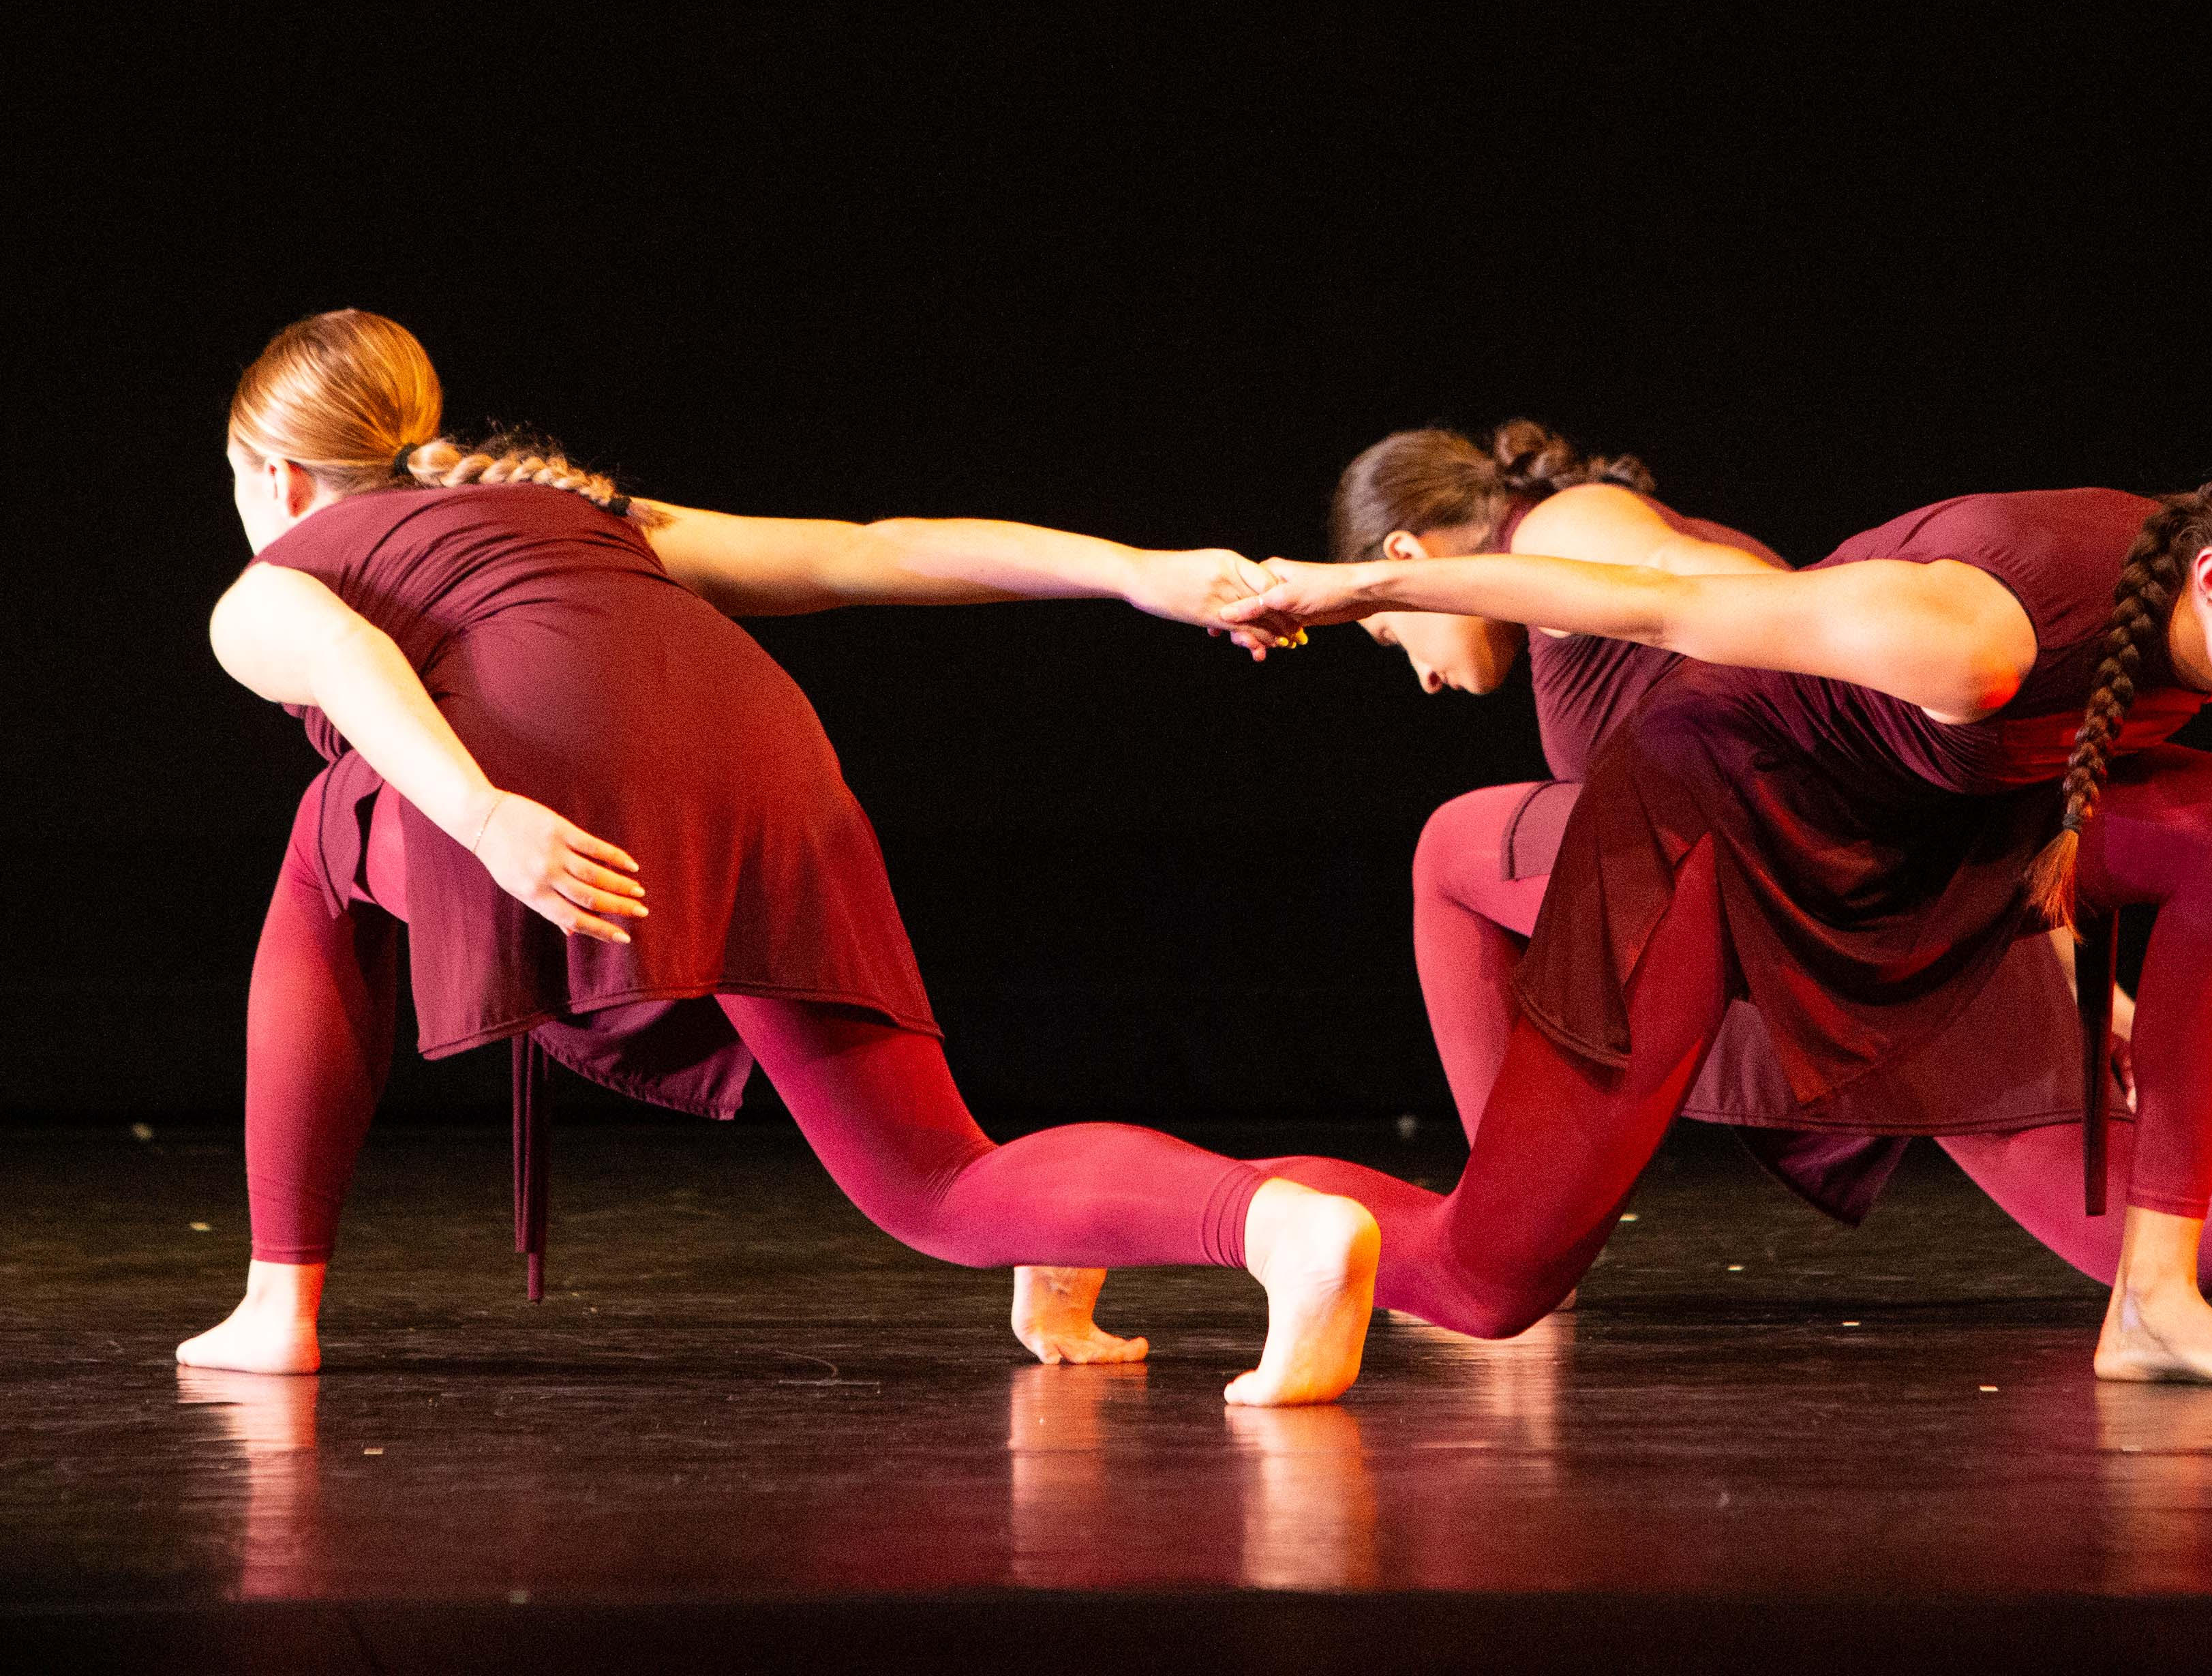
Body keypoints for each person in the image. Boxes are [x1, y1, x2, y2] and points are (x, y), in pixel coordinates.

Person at [1027, 425, 2212, 1356]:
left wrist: (2056, 940)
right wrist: (1370, 589)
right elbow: (1664, 605)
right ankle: (1161, 1208)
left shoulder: (2125, 632)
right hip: (1758, 859)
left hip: (1859, 877)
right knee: (1483, 1281)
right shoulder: (1983, 630)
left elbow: (1680, 606)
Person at [170, 308, 1378, 1405]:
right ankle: (1278, 1228)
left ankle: (281, 1301)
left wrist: (486, 816)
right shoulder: (572, 509)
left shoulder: (267, 584)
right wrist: (1135, 573)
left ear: (272, 475)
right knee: (940, 1181)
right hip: (768, 754)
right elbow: (870, 552)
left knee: (319, 854)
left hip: (564, 777)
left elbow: (343, 661)